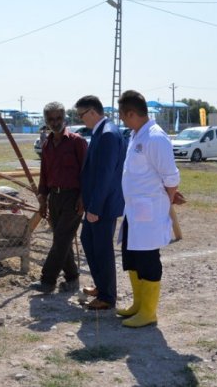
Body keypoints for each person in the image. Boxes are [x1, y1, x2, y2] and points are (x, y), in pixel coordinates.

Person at [116, 90, 181, 327]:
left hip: (149, 211)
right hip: (134, 210)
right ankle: (138, 304)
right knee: (132, 257)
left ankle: (149, 311)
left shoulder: (155, 138)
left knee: (148, 259)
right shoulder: (136, 135)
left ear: (132, 113)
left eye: (123, 115)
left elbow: (171, 178)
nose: (122, 120)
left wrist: (166, 200)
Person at [30, 102, 88, 294]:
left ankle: (47, 280)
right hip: (54, 197)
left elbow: (87, 172)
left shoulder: (77, 142)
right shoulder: (46, 145)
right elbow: (44, 174)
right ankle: (72, 278)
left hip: (73, 198)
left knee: (61, 239)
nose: (55, 123)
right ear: (46, 121)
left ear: (65, 119)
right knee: (61, 239)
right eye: (50, 119)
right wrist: (42, 198)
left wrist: (83, 197)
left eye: (58, 119)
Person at [74, 95, 125, 310]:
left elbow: (105, 175)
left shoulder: (107, 135)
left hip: (103, 206)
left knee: (101, 249)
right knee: (89, 242)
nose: (80, 119)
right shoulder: (102, 132)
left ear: (93, 112)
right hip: (98, 203)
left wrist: (94, 207)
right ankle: (102, 286)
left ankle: (107, 296)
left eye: (81, 115)